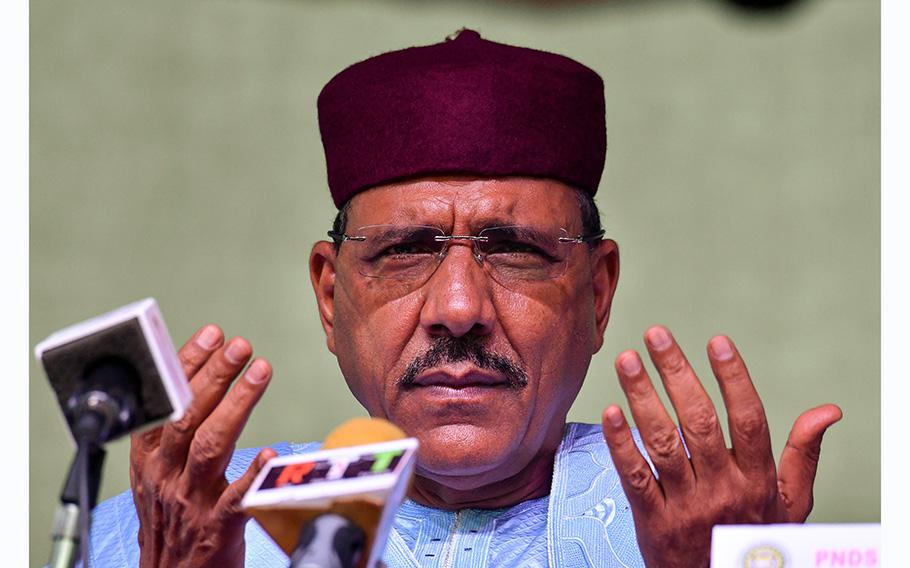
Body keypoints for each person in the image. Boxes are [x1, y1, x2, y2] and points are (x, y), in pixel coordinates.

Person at [88, 29, 842, 567]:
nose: (457, 307)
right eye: (405, 251)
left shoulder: (718, 522)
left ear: (597, 293)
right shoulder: (171, 529)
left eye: (512, 251)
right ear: (329, 294)